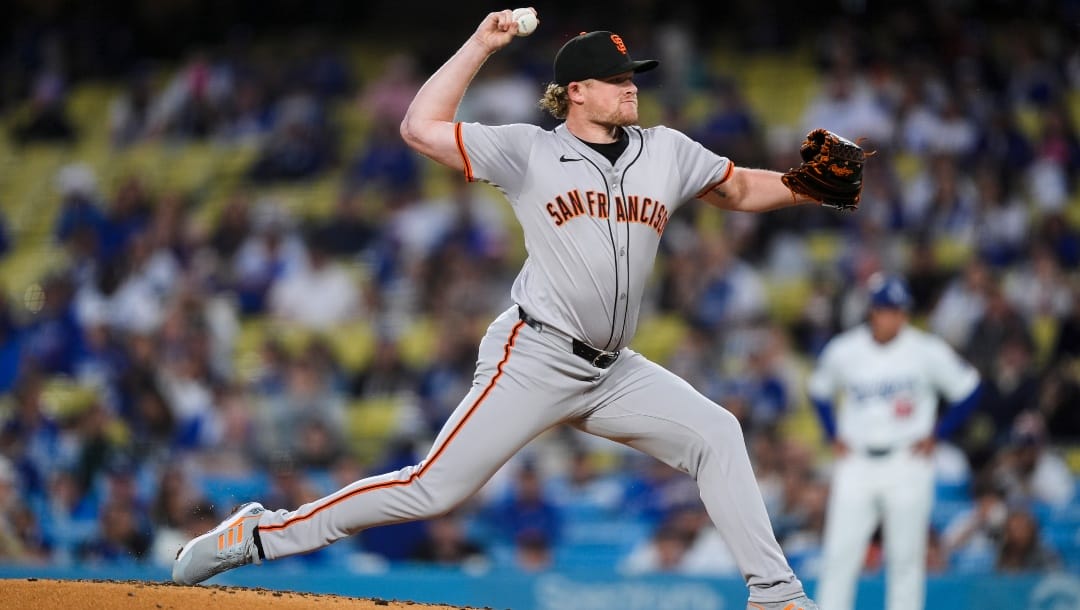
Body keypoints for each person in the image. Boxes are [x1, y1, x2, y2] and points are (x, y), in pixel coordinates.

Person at [174, 10, 831, 609]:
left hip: (613, 370)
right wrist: (480, 46)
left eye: (633, 76)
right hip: (536, 353)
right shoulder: (531, 151)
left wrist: (812, 183)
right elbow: (418, 127)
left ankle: (777, 595)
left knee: (717, 434)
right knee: (433, 488)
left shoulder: (667, 150)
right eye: (614, 79)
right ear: (577, 91)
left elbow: (741, 186)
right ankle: (260, 534)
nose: (631, 87)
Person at [808, 273, 983, 610]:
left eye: (899, 310)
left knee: (906, 558)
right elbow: (819, 391)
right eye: (887, 309)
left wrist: (940, 432)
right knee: (840, 556)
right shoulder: (845, 349)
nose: (894, 316)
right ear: (873, 311)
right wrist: (832, 434)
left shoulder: (925, 349)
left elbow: (970, 388)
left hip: (907, 461)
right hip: (856, 462)